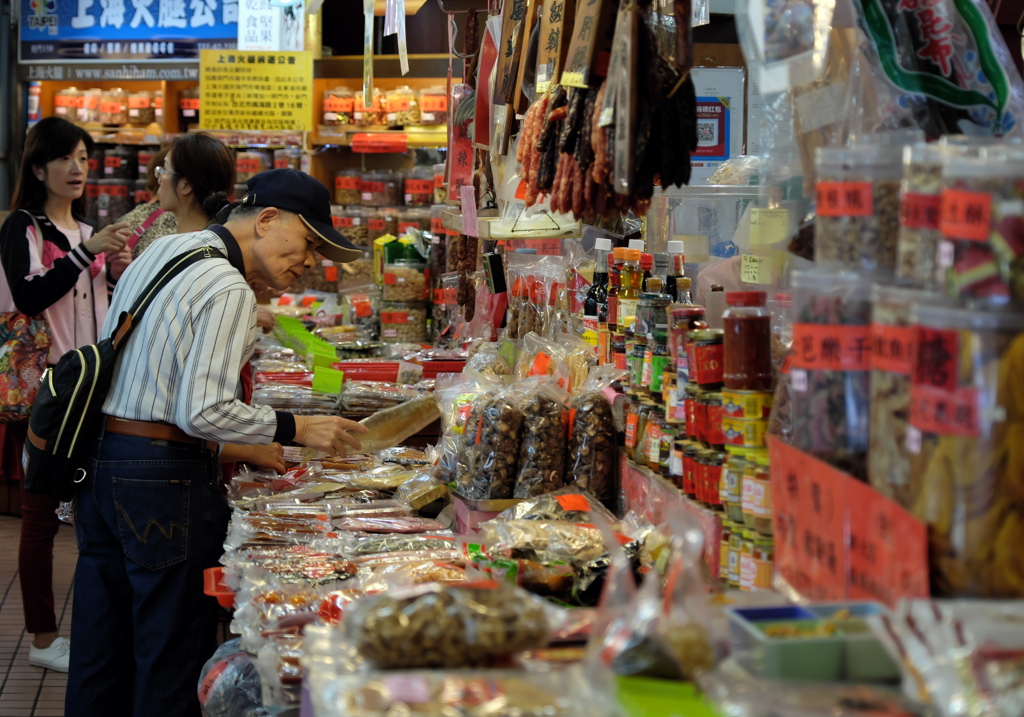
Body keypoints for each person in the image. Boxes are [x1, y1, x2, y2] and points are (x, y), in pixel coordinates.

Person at [65, 168, 367, 717]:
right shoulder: (227, 286)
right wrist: (296, 427)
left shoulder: (169, 249)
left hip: (105, 463)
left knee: (100, 646)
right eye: (309, 244)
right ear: (267, 220)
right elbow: (202, 411)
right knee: (168, 652)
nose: (310, 263)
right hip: (163, 478)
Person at [0, 116, 133, 672]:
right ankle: (42, 638)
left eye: (84, 156)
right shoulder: (23, 230)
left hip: (92, 387)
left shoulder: (85, 233)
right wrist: (87, 257)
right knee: (38, 521)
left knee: (92, 516)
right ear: (38, 168)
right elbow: (31, 298)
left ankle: (97, 631)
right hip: (48, 393)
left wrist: (118, 268)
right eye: (66, 158)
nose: (79, 168)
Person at [113, 144, 178, 257]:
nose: (161, 176)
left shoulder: (128, 220)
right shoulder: (185, 221)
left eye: (164, 171)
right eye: (160, 171)